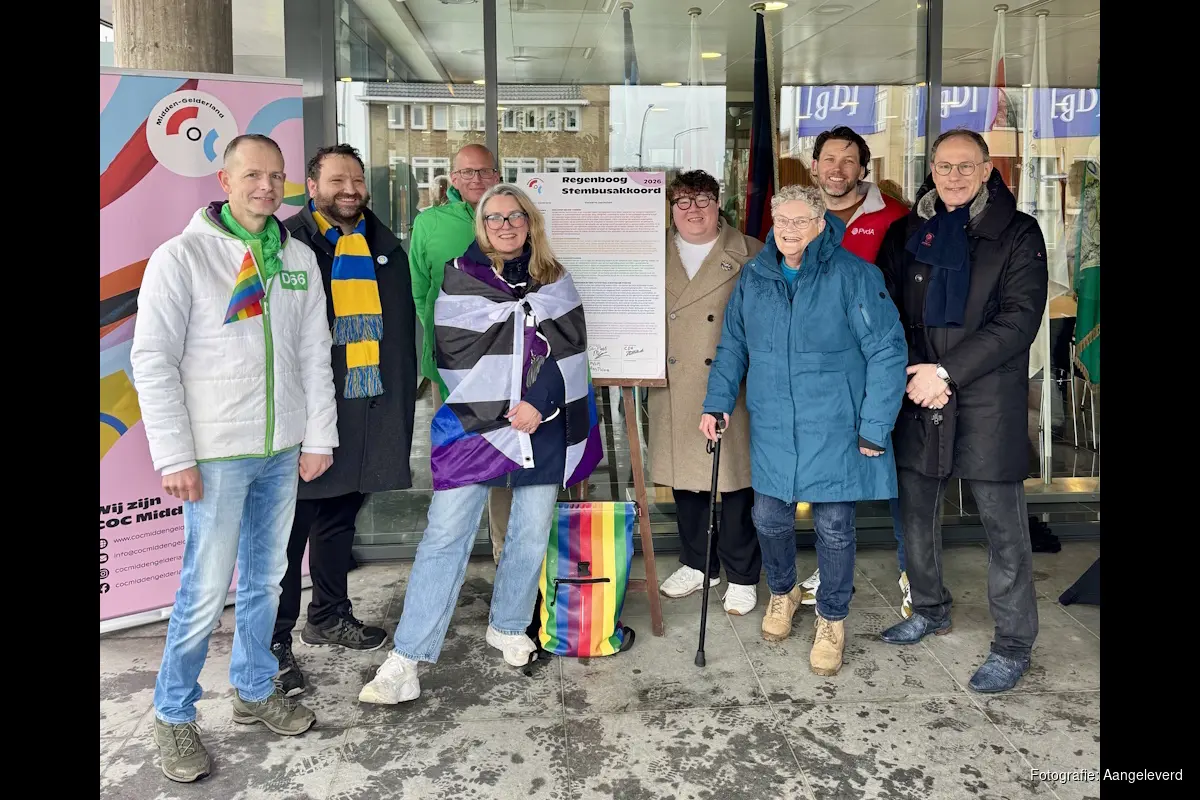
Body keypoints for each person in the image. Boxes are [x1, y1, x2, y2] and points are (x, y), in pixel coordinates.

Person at [130, 134, 339, 783]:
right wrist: (175, 455)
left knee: (266, 580)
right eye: (252, 175)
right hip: (216, 455)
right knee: (203, 589)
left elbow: (314, 353)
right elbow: (152, 360)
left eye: (276, 176)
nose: (266, 187)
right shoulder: (183, 257)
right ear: (225, 180)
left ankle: (253, 687)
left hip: (280, 450)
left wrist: (319, 437)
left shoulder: (296, 256)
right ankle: (173, 712)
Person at [359, 184, 603, 705]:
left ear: (530, 222)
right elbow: (450, 351)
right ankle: (406, 657)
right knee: (445, 535)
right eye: (494, 217)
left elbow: (571, 350)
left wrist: (538, 403)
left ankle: (508, 624)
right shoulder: (459, 276)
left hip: (542, 422)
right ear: (481, 226)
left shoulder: (555, 278)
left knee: (529, 532)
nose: (505, 225)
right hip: (475, 421)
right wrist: (501, 409)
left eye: (515, 216)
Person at [701, 184, 907, 677]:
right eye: (782, 221)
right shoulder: (755, 277)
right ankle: (783, 591)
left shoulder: (854, 275)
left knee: (834, 527)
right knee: (768, 517)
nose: (789, 230)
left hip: (835, 422)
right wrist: (717, 403)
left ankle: (832, 618)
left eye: (800, 221)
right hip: (774, 421)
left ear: (820, 225)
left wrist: (875, 425)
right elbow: (733, 346)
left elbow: (887, 350)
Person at [876, 129, 1048, 694]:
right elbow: (886, 309)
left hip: (986, 395)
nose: (954, 176)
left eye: (965, 166)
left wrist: (945, 373)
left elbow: (1019, 320)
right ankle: (929, 609)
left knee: (1003, 527)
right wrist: (917, 373)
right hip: (918, 389)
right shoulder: (907, 232)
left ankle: (1013, 644)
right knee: (917, 514)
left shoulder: (1018, 232)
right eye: (944, 166)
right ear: (932, 169)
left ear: (986, 170)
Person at [269, 144, 417, 697]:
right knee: (288, 534)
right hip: (310, 415)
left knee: (338, 520)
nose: (349, 189)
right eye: (336, 180)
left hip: (368, 410)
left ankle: (329, 614)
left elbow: (398, 335)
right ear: (312, 187)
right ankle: (273, 642)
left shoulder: (384, 244)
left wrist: (397, 410)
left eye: (356, 179)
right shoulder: (288, 243)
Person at [800, 126, 913, 617]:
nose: (837, 169)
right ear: (815, 166)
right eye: (829, 159)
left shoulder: (896, 217)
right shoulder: (801, 215)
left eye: (848, 160)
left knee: (902, 474)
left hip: (883, 362)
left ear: (864, 168)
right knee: (832, 471)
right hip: (826, 374)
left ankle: (914, 572)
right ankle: (830, 567)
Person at [650, 170, 765, 616]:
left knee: (736, 481)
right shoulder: (651, 250)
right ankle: (698, 562)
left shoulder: (752, 252)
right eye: (683, 201)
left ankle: (742, 573)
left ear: (719, 204)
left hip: (734, 382)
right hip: (673, 381)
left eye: (702, 200)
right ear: (671, 208)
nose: (693, 210)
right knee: (687, 479)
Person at [407, 144, 512, 564]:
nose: (476, 179)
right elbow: (420, 292)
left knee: (506, 460)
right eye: (466, 172)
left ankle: (506, 550)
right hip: (450, 368)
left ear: (497, 175)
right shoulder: (429, 224)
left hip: (507, 366)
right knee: (458, 458)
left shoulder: (513, 216)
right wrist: (447, 343)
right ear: (452, 178)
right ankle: (452, 551)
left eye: (484, 171)